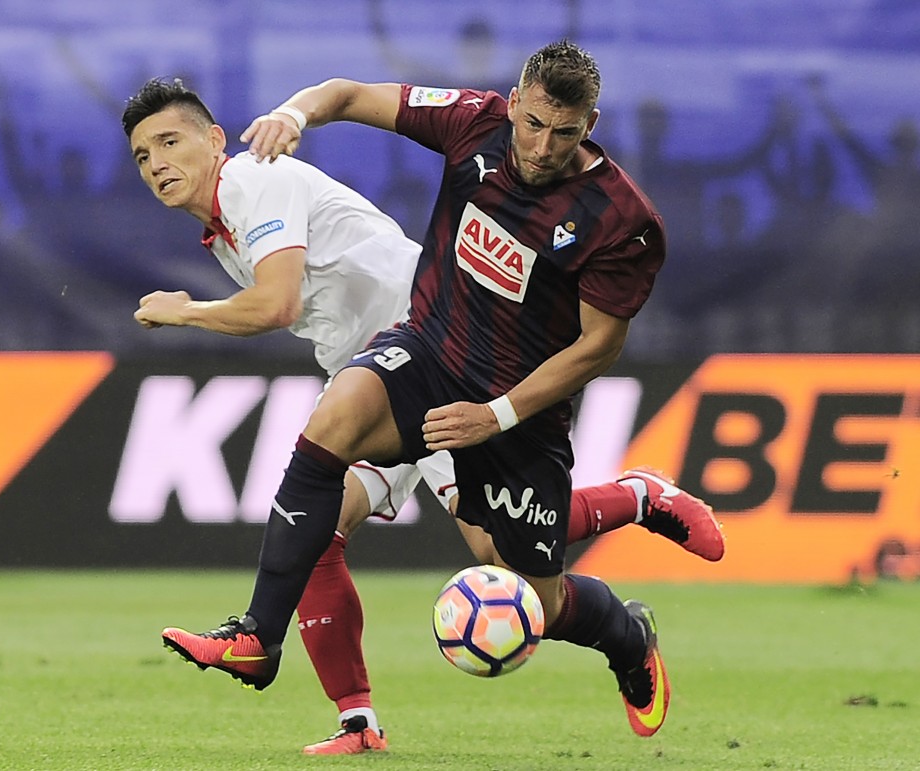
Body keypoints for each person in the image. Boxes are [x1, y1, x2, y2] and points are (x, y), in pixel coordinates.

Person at [122, 65, 721, 751]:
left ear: (215, 140)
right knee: (318, 512)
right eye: (143, 155)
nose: (157, 163)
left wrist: (185, 311)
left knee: (523, 586)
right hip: (388, 362)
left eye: (170, 142)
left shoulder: (253, 182)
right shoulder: (227, 222)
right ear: (515, 106)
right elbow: (344, 94)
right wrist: (297, 110)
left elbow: (276, 303)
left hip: (450, 350)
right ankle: (346, 712)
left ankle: (633, 536)